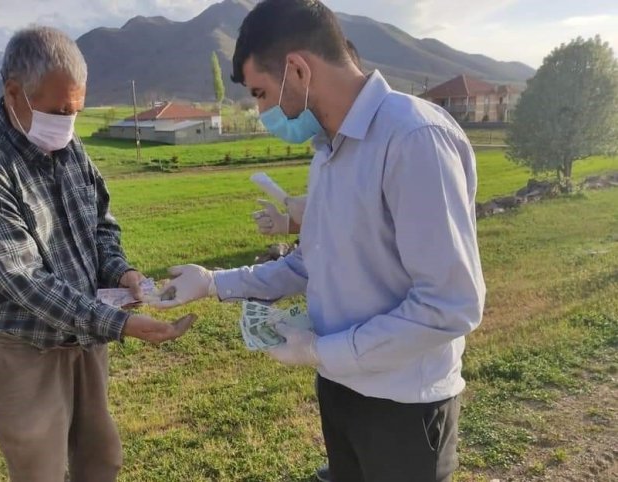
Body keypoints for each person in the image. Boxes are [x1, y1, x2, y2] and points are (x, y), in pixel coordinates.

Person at [152, 1, 486, 481]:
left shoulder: (414, 139)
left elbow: (450, 305)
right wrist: (212, 283)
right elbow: (309, 263)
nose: (262, 111)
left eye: (262, 94)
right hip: (342, 389)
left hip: (403, 406)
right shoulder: (328, 152)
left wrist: (319, 352)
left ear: (298, 69)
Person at [0, 26, 195, 482]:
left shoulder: (70, 147)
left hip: (84, 331)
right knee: (41, 471)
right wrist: (121, 323)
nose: (68, 123)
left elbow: (100, 225)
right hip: (21, 344)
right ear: (13, 92)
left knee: (101, 459)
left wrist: (123, 273)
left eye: (76, 110)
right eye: (58, 111)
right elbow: (22, 279)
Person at [252, 39, 360, 238]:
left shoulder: (407, 140)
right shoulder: (323, 154)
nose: (263, 110)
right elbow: (323, 251)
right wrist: (290, 224)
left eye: (262, 93)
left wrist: (321, 214)